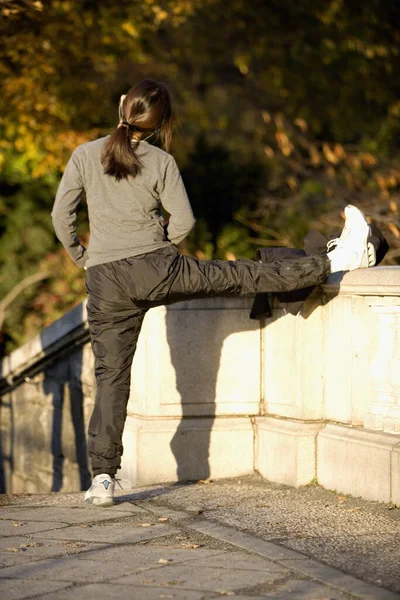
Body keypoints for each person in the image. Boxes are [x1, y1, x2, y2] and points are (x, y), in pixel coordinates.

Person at [51, 79, 375, 507]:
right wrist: (159, 248)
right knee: (240, 275)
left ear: (121, 106)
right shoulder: (161, 161)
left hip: (106, 279)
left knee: (111, 378)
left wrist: (85, 259)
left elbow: (62, 216)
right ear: (160, 123)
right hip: (158, 268)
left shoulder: (85, 155)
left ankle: (103, 479)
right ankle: (335, 262)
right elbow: (184, 222)